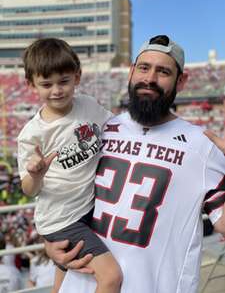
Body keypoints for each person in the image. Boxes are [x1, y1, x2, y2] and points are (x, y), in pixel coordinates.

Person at [45, 35, 225, 293]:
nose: (150, 78)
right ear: (131, 72)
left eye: (163, 71)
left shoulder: (203, 145)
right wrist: (51, 244)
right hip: (82, 284)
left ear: (181, 81)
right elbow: (68, 203)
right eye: (144, 68)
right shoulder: (101, 129)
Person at [17, 37, 122, 293]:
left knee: (62, 285)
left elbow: (117, 126)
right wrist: (36, 174)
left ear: (77, 76)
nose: (56, 90)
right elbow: (29, 190)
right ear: (32, 85)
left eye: (64, 81)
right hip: (63, 219)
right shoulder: (32, 134)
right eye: (46, 84)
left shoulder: (87, 105)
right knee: (111, 278)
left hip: (86, 209)